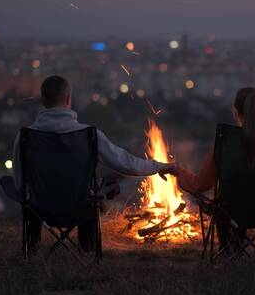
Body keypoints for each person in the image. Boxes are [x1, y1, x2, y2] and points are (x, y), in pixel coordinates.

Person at [12, 75, 175, 252]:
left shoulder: (25, 137)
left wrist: (29, 196)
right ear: (68, 99)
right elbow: (126, 163)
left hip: (39, 209)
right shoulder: (88, 135)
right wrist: (158, 166)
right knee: (90, 196)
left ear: (43, 100)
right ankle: (87, 251)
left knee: (30, 196)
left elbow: (20, 180)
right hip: (80, 209)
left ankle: (31, 250)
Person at [176, 87, 255, 251]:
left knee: (221, 205)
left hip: (231, 212)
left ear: (235, 111)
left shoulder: (225, 144)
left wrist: (180, 172)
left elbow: (200, 185)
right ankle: (235, 248)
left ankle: (230, 250)